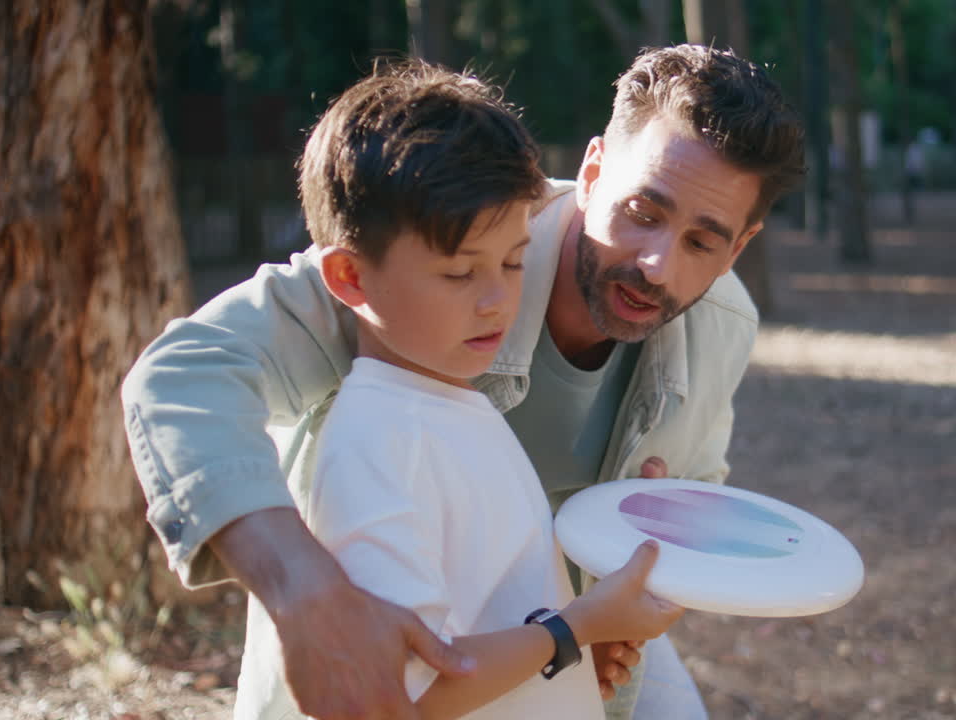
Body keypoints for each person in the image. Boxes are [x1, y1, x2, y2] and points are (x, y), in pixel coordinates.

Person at [122, 44, 805, 720]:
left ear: (738, 247)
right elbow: (183, 376)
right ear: (593, 172)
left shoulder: (724, 323)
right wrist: (305, 588)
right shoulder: (437, 244)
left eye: (702, 241)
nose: (658, 265)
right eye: (644, 213)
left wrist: (649, 551)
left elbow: (697, 491)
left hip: (564, 650)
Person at [231, 60, 683, 720]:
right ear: (352, 278)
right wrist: (570, 630)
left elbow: (491, 619)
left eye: (511, 260)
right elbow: (408, 693)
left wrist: (572, 656)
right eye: (459, 273)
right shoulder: (377, 442)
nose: (499, 300)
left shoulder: (454, 400)